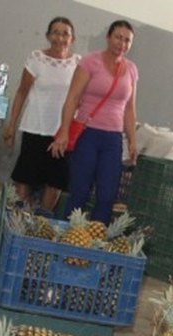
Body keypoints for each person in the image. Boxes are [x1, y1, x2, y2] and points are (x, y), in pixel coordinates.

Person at [51, 20, 138, 224]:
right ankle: (68, 240)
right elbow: (72, 98)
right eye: (118, 37)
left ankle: (94, 245)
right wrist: (64, 131)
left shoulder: (132, 70)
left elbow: (130, 109)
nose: (122, 44)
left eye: (127, 40)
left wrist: (132, 140)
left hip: (113, 139)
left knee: (107, 196)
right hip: (87, 135)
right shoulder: (90, 62)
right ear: (108, 37)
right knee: (79, 192)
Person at [3, 17, 79, 212]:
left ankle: (41, 222)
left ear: (72, 39)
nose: (60, 37)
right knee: (25, 177)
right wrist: (11, 124)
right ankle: (19, 219)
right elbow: (22, 91)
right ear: (47, 36)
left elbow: (81, 98)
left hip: (61, 134)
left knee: (55, 182)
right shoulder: (36, 58)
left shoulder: (78, 64)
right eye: (55, 32)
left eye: (65, 33)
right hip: (34, 128)